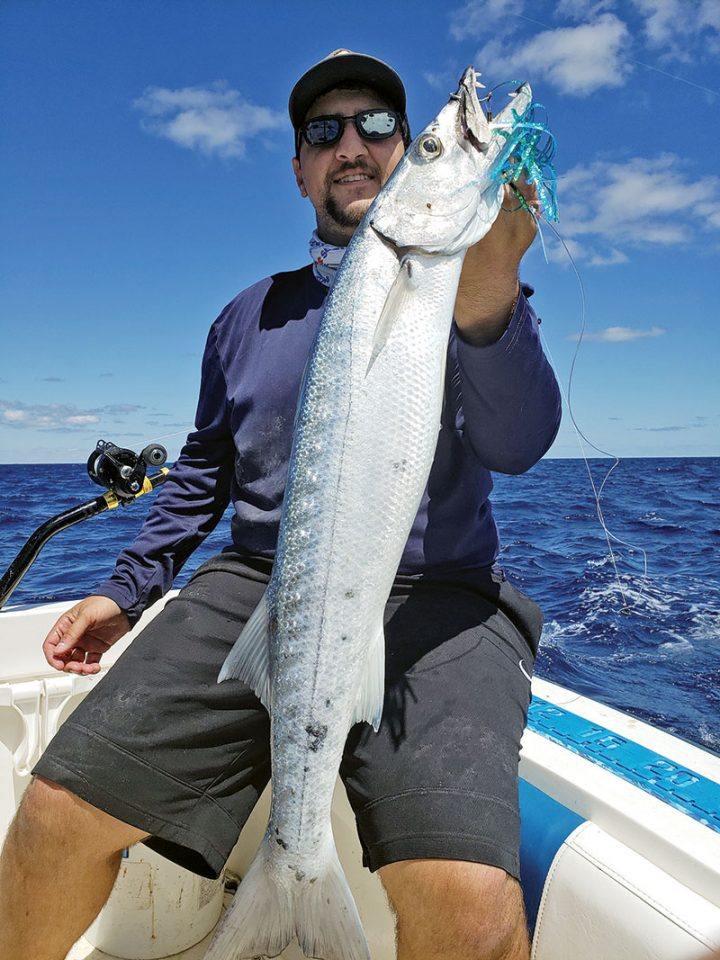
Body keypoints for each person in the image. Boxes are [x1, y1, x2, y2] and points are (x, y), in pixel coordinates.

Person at [0, 50, 561, 960]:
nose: (354, 145)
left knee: (471, 904)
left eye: (385, 129)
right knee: (54, 813)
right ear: (298, 167)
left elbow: (520, 443)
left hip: (442, 594)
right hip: (262, 579)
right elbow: (203, 470)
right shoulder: (243, 318)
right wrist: (126, 588)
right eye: (323, 131)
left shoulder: (463, 292)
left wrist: (491, 293)